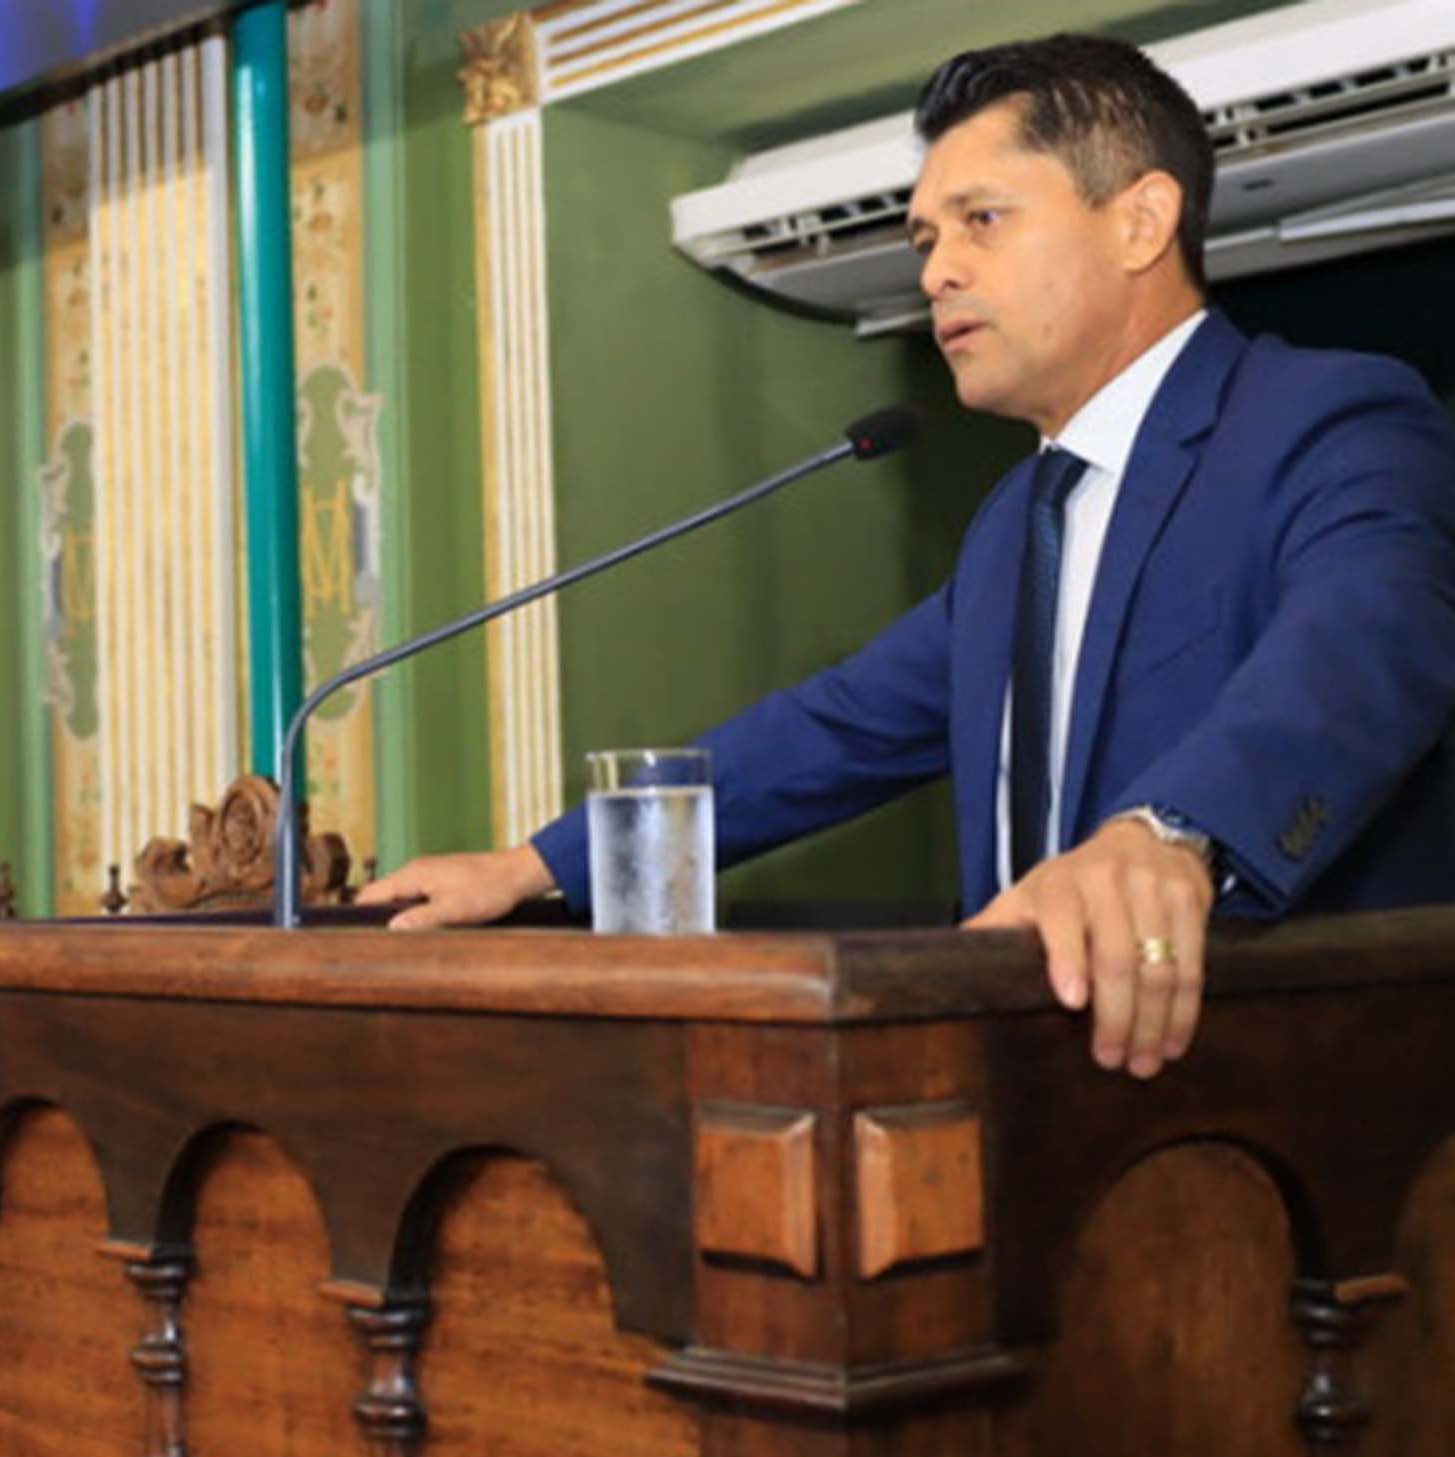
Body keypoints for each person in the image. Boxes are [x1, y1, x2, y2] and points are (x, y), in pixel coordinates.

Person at [362, 34, 1455, 1082]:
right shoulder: (1015, 524)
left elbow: (1367, 644)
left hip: (1289, 1111)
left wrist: (1172, 831)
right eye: (927, 239)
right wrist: (534, 868)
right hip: (1030, 1088)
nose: (938, 272)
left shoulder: (1327, 418)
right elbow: (833, 728)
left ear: (1141, 221)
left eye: (982, 220)